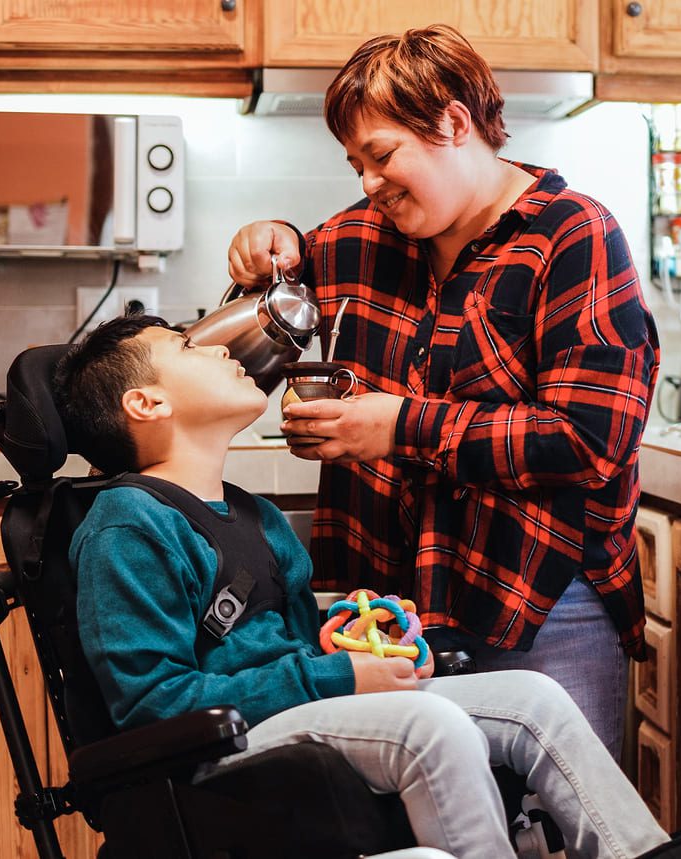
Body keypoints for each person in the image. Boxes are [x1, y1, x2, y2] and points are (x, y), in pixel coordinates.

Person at [53, 315, 681, 859]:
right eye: (188, 347)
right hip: (216, 749)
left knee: (534, 698)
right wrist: (338, 676)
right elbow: (153, 704)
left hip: (285, 718)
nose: (221, 348)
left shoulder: (256, 516)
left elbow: (287, 649)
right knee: (431, 725)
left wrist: (346, 641)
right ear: (147, 403)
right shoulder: (127, 525)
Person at [226, 24, 658, 756]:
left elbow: (589, 440)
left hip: (540, 601)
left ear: (455, 123)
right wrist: (266, 248)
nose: (369, 182)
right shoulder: (355, 238)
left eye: (383, 155)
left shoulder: (572, 236)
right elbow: (255, 322)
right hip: (385, 614)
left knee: (560, 810)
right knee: (419, 811)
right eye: (357, 164)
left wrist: (399, 427)